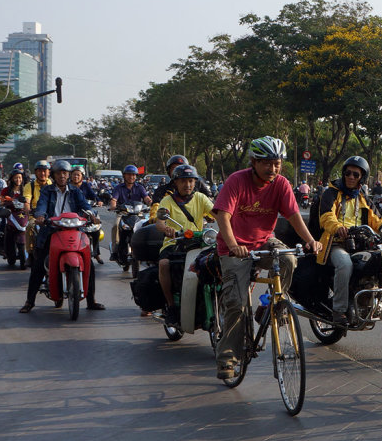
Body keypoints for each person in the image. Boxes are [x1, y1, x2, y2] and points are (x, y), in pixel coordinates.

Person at [213, 136, 321, 379]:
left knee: (289, 259)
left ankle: (270, 305)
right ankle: (228, 357)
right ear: (253, 162)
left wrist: (309, 240)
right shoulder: (236, 181)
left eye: (277, 163)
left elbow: (294, 216)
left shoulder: (281, 184)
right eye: (267, 163)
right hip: (234, 247)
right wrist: (233, 245)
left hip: (263, 241)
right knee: (237, 304)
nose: (273, 169)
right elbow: (223, 215)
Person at [19, 160, 104, 313]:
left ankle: (91, 301)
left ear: (69, 175)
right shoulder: (47, 191)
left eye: (65, 173)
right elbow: (41, 206)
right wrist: (40, 216)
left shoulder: (76, 191)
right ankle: (29, 301)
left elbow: (86, 206)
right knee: (38, 266)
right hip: (52, 230)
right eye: (59, 173)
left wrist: (93, 215)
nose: (62, 176)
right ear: (54, 175)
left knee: (89, 264)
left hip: (75, 229)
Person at [315, 156, 382, 325]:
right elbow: (326, 216)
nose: (351, 177)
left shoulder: (362, 197)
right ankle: (338, 310)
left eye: (356, 174)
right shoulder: (331, 193)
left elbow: (375, 218)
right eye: (348, 173)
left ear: (362, 178)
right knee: (345, 264)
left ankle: (372, 299)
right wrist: (337, 227)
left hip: (359, 243)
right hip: (335, 243)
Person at [155, 164, 215, 325]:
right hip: (174, 244)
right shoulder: (167, 200)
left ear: (195, 183)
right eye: (183, 181)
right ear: (175, 182)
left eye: (190, 181)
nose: (187, 185)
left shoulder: (201, 198)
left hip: (199, 243)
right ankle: (171, 307)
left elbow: (217, 213)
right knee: (164, 264)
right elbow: (159, 222)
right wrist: (166, 228)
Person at [108, 165, 152, 261]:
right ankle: (115, 251)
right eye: (129, 175)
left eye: (133, 175)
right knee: (115, 226)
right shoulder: (119, 188)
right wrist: (113, 205)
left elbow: (146, 198)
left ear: (136, 176)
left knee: (148, 225)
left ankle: (147, 249)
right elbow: (114, 200)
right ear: (124, 176)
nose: (131, 177)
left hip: (138, 214)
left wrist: (151, 203)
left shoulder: (140, 187)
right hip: (122, 213)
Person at [0, 169, 27, 268]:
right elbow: (0, 201)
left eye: (20, 177)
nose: (18, 179)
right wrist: (4, 202)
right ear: (12, 179)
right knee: (0, 233)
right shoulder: (6, 190)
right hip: (9, 215)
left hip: (23, 216)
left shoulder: (26, 189)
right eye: (16, 177)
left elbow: (30, 200)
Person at [70, 166, 104, 264]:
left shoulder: (86, 185)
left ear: (82, 176)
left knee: (96, 230)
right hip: (73, 214)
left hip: (87, 212)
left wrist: (99, 200)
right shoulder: (68, 186)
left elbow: (94, 196)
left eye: (78, 175)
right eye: (74, 174)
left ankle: (96, 253)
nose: (76, 177)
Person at [23, 160, 52, 267]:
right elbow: (27, 200)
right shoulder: (29, 186)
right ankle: (30, 254)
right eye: (40, 171)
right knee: (30, 226)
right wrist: (27, 208)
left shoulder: (53, 185)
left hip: (51, 217)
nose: (42, 173)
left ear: (49, 172)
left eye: (45, 171)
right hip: (35, 216)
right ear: (35, 172)